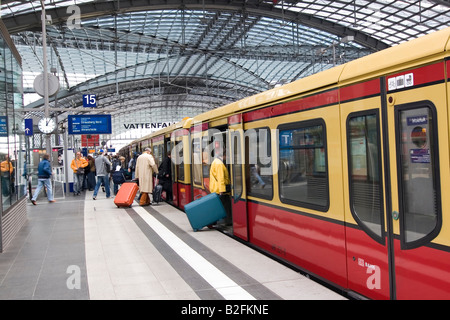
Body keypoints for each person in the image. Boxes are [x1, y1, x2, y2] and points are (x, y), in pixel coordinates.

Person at [209, 147, 231, 224]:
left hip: (217, 188)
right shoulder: (219, 164)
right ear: (224, 155)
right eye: (227, 156)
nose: (227, 158)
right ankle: (228, 222)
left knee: (219, 206)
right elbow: (220, 178)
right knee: (226, 206)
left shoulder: (216, 161)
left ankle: (214, 222)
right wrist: (222, 190)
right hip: (219, 189)